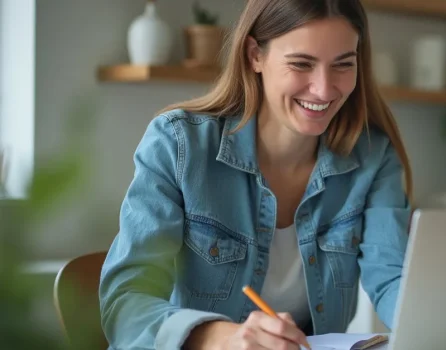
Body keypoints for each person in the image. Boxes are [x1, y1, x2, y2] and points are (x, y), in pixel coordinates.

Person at [98, 0, 414, 349]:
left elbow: (394, 278)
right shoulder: (177, 144)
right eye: (301, 64)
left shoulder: (374, 157)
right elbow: (125, 302)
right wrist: (218, 337)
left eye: (343, 65)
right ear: (254, 55)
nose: (324, 89)